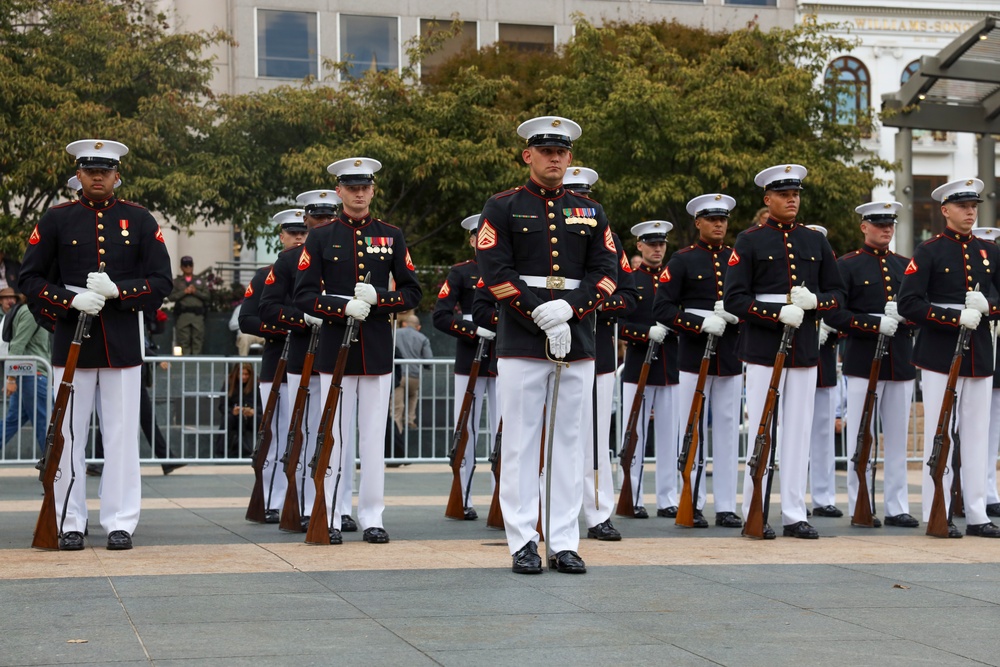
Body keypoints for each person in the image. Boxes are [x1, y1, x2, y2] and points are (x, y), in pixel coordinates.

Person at [477, 115, 618, 575]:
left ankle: (563, 540)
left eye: (561, 151)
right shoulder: (501, 206)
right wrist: (540, 311)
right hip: (521, 337)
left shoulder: (590, 211)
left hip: (576, 337)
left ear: (570, 158)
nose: (554, 157)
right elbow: (494, 271)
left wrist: (570, 309)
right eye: (545, 150)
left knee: (569, 443)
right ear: (528, 155)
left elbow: (607, 271)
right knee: (520, 442)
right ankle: (522, 539)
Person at [20, 138, 172, 551]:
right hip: (71, 342)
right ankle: (71, 519)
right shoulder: (55, 219)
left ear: (117, 175)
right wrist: (69, 301)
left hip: (121, 344)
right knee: (68, 435)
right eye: (91, 170)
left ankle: (120, 520)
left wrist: (119, 292)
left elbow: (161, 282)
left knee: (122, 437)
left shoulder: (139, 220)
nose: (98, 176)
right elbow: (29, 279)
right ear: (78, 175)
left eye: (105, 170)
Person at [294, 157, 423, 545]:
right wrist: (340, 306)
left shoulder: (391, 235)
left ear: (373, 189)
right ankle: (332, 513)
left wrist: (381, 298)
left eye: (365, 186)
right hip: (336, 351)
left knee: (372, 440)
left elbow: (413, 290)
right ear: (339, 192)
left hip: (378, 351)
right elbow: (303, 294)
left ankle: (372, 516)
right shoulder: (319, 237)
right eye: (352, 187)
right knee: (335, 437)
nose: (360, 193)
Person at [723, 163, 845, 540]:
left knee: (798, 432)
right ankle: (753, 509)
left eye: (796, 194)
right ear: (768, 199)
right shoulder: (749, 240)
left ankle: (794, 511)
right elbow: (735, 299)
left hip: (805, 349)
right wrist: (776, 313)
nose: (792, 199)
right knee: (762, 430)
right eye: (784, 194)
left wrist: (815, 303)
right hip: (763, 349)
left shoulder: (815, 240)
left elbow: (838, 296)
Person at [899, 178, 1000, 538]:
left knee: (977, 435)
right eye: (962, 206)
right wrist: (953, 317)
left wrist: (989, 306)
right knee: (941, 435)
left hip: (980, 353)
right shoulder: (929, 251)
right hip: (940, 353)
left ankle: (976, 513)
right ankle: (936, 509)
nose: (970, 212)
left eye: (974, 206)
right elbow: (908, 303)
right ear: (945, 210)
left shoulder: (990, 251)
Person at [260, 193, 353, 533]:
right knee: (304, 436)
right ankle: (300, 503)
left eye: (329, 218)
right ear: (308, 220)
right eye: (316, 219)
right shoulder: (288, 261)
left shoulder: (348, 254)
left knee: (339, 438)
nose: (322, 224)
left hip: (341, 361)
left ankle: (339, 508)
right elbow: (268, 308)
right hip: (305, 360)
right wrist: (304, 318)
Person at [653, 193, 743, 529]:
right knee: (691, 431)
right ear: (698, 222)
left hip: (730, 356)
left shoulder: (737, 259)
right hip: (692, 356)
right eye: (712, 219)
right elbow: (662, 308)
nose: (719, 224)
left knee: (727, 433)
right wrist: (697, 322)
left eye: (723, 219)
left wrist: (736, 317)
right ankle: (691, 499)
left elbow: (747, 303)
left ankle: (726, 506)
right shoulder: (682, 260)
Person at [825, 201, 916, 528]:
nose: (886, 229)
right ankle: (858, 503)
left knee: (896, 439)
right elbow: (835, 314)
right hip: (863, 361)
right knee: (860, 438)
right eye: (879, 224)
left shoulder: (906, 265)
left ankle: (897, 506)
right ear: (864, 227)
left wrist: (905, 319)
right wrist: (872, 323)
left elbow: (919, 311)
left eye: (890, 223)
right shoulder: (847, 265)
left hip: (901, 362)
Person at [564, 166, 636, 541]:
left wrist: (589, 305)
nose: (581, 206)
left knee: (595, 438)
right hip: (550, 348)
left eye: (585, 197)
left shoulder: (609, 240)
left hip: (598, 353)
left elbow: (629, 295)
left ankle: (597, 512)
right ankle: (546, 513)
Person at [240, 208, 309, 522]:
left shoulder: (316, 273)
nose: (298, 237)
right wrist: (287, 327)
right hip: (276, 363)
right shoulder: (265, 273)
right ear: (281, 236)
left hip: (307, 363)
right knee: (274, 433)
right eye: (292, 232)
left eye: (303, 232)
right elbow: (247, 319)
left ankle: (295, 499)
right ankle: (267, 497)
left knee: (302, 433)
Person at [432, 214, 499, 520]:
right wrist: (472, 329)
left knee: (505, 429)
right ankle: (464, 496)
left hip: (502, 358)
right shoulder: (460, 273)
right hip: (469, 359)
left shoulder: (505, 269)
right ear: (472, 240)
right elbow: (441, 316)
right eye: (478, 237)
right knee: (466, 430)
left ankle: (504, 498)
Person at [619, 220, 680, 519]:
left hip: (671, 368)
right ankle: (633, 495)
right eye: (652, 244)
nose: (658, 249)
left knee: (670, 436)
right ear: (639, 246)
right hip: (637, 367)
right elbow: (618, 323)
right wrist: (644, 334)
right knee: (635, 435)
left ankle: (668, 498)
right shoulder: (630, 279)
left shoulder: (674, 279)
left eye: (662, 244)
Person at [802, 224, 842, 519]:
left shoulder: (830, 270)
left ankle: (824, 496)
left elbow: (840, 305)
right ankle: (791, 494)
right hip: (793, 358)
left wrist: (832, 327)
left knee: (823, 434)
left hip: (823, 362)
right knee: (793, 432)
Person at [1, 290, 50, 456]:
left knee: (12, 421)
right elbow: (17, 346)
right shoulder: (31, 312)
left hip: (30, 375)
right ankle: (53, 466)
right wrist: (10, 378)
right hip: (33, 376)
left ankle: (52, 465)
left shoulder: (29, 311)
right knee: (46, 422)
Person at [393, 311, 433, 433]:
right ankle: (410, 419)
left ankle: (397, 430)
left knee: (397, 407)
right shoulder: (423, 338)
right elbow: (429, 361)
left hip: (399, 375)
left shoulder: (395, 334)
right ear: (418, 327)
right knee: (413, 395)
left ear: (404, 324)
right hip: (414, 376)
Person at [215, 362, 259, 458]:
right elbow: (222, 406)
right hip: (235, 416)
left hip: (251, 416)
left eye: (246, 374)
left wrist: (253, 411)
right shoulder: (229, 383)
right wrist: (232, 411)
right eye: (241, 374)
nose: (244, 377)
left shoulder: (256, 384)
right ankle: (221, 453)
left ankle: (260, 452)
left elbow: (262, 404)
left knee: (260, 419)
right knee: (227, 419)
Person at [169, 255, 207, 355]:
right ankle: (186, 365)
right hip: (183, 315)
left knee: (197, 340)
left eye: (190, 265)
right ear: (181, 267)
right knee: (183, 340)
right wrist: (184, 292)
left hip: (197, 315)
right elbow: (171, 297)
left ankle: (196, 365)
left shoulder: (200, 281)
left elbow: (207, 296)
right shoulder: (177, 282)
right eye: (185, 265)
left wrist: (195, 292)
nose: (188, 267)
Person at [0, 286, 16, 356]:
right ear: (0, 301)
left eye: (11, 297)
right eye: (6, 298)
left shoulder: (18, 314)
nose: (9, 300)